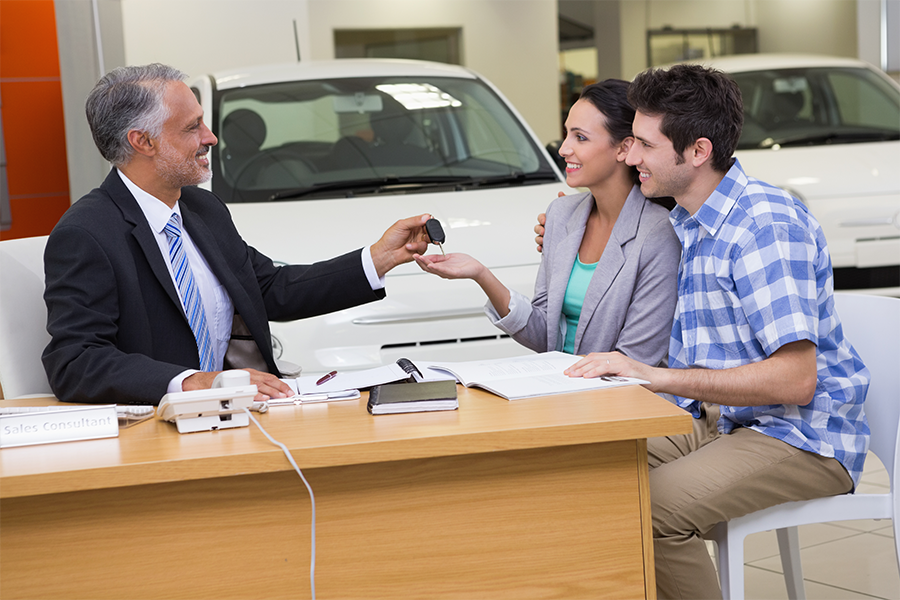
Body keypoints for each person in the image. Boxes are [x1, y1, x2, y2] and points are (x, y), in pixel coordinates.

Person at [560, 64, 870, 600]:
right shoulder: (690, 216)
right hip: (720, 422)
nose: (630, 157)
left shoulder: (763, 227)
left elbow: (796, 381)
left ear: (698, 151)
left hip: (800, 437)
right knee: (584, 471)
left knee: (651, 508)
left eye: (645, 145)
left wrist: (655, 377)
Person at [42, 64, 432, 406]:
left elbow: (267, 289)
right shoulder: (86, 233)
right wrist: (196, 382)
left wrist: (378, 257)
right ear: (143, 142)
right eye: (193, 126)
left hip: (243, 413)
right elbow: (75, 361)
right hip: (158, 434)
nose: (210, 138)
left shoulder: (203, 210)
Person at [414, 79, 680, 366]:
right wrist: (481, 274)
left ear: (624, 148)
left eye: (580, 137)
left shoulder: (658, 233)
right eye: (566, 134)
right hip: (564, 392)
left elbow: (635, 362)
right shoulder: (561, 214)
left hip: (622, 400)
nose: (563, 148)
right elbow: (544, 335)